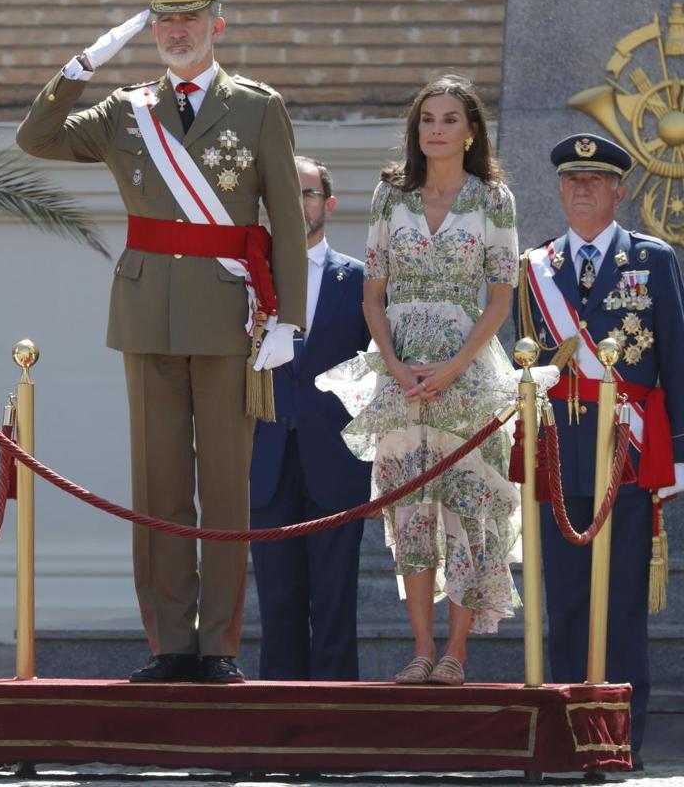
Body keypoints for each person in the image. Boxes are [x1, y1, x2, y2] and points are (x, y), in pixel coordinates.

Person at [16, 0, 308, 684]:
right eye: (164, 21)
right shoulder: (125, 109)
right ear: (151, 30)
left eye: (191, 19)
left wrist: (289, 319)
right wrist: (81, 66)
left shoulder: (257, 107)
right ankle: (171, 641)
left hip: (228, 316)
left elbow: (289, 222)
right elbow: (36, 139)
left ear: (218, 24)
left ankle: (220, 646)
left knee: (227, 490)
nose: (177, 32)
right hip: (147, 314)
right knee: (159, 484)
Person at [317, 75, 521, 686]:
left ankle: (456, 654)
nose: (436, 129)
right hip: (399, 374)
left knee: (468, 510)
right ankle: (422, 650)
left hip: (470, 375)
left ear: (471, 130)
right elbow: (372, 295)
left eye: (449, 119)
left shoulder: (494, 201)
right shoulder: (390, 196)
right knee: (410, 514)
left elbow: (501, 299)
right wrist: (399, 366)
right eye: (427, 119)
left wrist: (455, 367)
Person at [515, 133, 684, 761]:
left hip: (629, 457)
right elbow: (526, 365)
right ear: (559, 189)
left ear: (620, 190)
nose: (582, 189)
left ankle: (618, 739)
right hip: (559, 457)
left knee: (621, 606)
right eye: (572, 180)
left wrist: (681, 454)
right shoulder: (536, 268)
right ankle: (564, 736)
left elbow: (677, 355)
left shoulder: (652, 259)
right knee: (564, 601)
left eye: (596, 180)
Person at [248, 156, 371, 681]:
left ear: (329, 204)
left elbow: (377, 370)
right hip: (266, 456)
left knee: (336, 602)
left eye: (309, 193)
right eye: (288, 193)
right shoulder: (247, 279)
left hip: (336, 461)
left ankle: (337, 726)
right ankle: (279, 727)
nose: (299, 204)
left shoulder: (362, 281)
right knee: (278, 604)